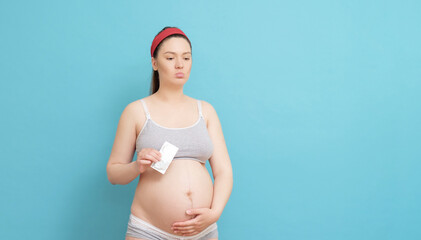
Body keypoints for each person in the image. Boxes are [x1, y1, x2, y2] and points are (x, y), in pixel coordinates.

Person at [106, 26, 233, 240]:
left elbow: (224, 172)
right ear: (155, 63)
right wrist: (137, 166)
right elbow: (113, 173)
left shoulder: (206, 111)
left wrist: (214, 213)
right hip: (148, 230)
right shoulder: (136, 111)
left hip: (203, 230)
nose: (179, 64)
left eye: (186, 57)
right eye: (170, 57)